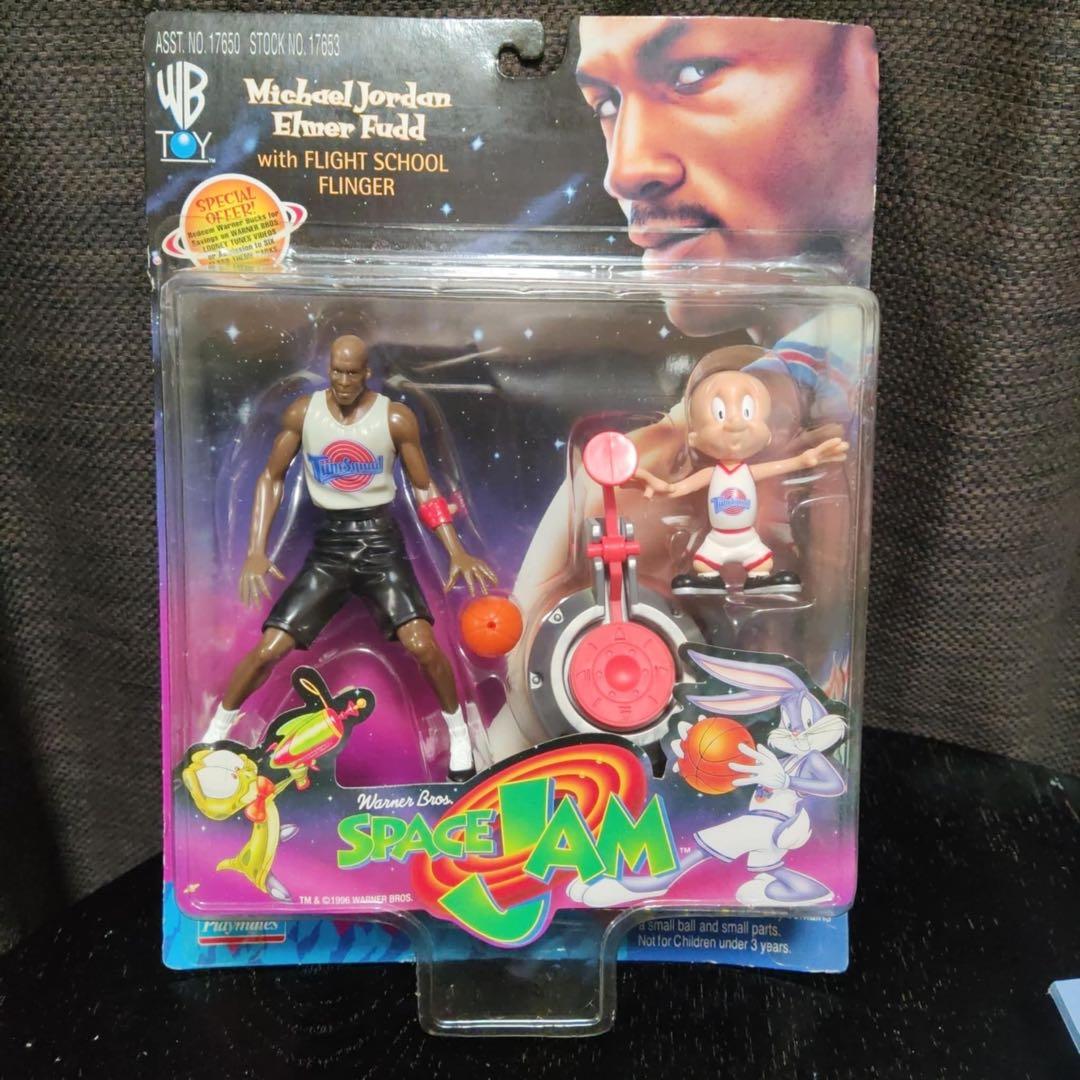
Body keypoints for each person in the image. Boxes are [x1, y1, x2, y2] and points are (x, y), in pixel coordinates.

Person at [201, 334, 496, 781]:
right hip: (331, 546)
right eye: (336, 371)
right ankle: (215, 734)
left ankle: (458, 734)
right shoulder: (304, 413)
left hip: (380, 542)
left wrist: (455, 549)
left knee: (422, 645)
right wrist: (255, 551)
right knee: (269, 648)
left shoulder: (394, 418)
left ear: (366, 373)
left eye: (352, 373)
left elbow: (423, 486)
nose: (342, 381)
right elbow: (270, 477)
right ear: (328, 369)